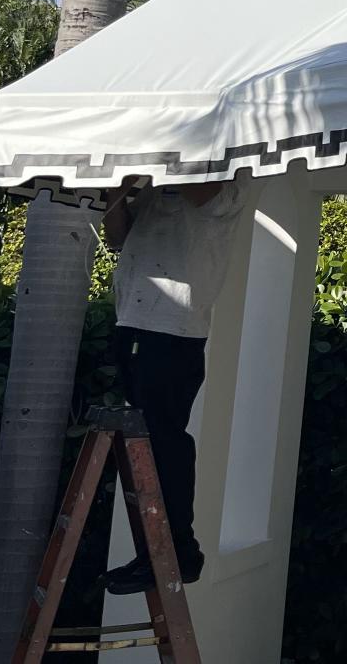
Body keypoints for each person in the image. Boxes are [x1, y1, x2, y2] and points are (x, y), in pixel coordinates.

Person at [98, 174, 248, 594]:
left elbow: (202, 192)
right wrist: (115, 189)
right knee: (146, 444)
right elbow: (118, 238)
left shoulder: (230, 177)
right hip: (131, 319)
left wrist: (156, 152)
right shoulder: (154, 178)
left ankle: (178, 552)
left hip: (173, 329)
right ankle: (156, 552)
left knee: (163, 441)